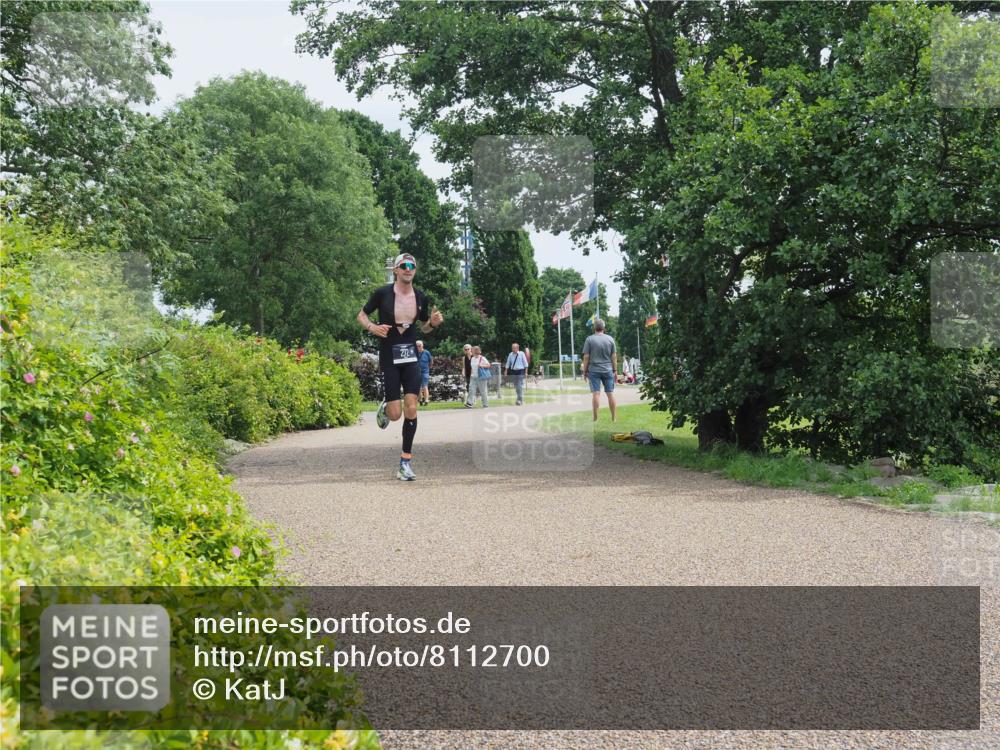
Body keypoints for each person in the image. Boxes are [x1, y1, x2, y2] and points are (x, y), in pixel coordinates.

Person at [357, 253, 444, 481]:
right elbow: (361, 315)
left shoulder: (420, 297)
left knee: (412, 408)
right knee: (396, 415)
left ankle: (405, 462)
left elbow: (424, 328)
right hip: (389, 355)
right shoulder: (382, 293)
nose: (408, 269)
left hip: (411, 356)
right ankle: (386, 408)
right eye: (403, 266)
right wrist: (372, 328)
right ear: (396, 270)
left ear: (415, 270)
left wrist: (432, 325)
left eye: (412, 266)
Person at [581, 318, 617, 422]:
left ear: (594, 328)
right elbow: (614, 356)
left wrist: (585, 370)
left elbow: (586, 357)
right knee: (610, 393)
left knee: (596, 394)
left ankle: (595, 418)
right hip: (608, 369)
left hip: (594, 370)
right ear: (604, 328)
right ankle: (614, 418)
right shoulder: (610, 339)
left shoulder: (589, 339)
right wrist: (615, 370)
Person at [416, 340, 433, 406]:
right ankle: (420, 400)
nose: (418, 347)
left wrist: (428, 368)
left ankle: (426, 400)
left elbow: (431, 361)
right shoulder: (414, 353)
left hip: (425, 372)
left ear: (422, 345)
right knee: (418, 387)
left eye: (419, 346)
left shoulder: (426, 352)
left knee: (425, 386)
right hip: (416, 372)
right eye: (417, 346)